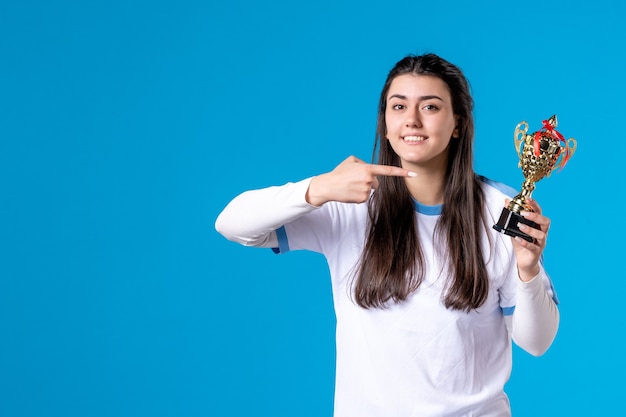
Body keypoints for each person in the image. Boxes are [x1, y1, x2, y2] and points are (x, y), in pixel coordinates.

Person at [215, 53, 559, 417]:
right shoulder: (348, 201)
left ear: (458, 123)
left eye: (430, 106)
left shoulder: (499, 209)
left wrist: (528, 270)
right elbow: (233, 224)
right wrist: (317, 188)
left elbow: (537, 342)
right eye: (398, 106)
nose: (412, 120)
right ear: (385, 122)